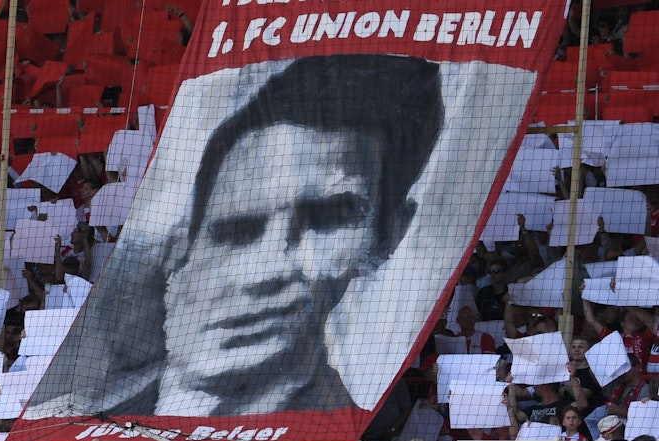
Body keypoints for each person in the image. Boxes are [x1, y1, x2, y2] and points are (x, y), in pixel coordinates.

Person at [27, 54, 444, 418]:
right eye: (236, 231)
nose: (266, 271)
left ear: (388, 235)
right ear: (179, 252)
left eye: (327, 217)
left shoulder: (344, 439)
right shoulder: (72, 416)